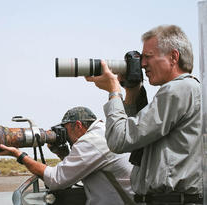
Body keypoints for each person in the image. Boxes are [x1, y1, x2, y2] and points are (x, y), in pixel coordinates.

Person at [86, 25, 203, 204]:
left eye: (148, 57)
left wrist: (113, 91)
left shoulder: (179, 89)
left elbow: (120, 139)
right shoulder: (188, 89)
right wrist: (132, 91)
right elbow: (139, 140)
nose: (142, 64)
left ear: (173, 57)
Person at [0, 106, 135, 205]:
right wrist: (62, 153)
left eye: (66, 130)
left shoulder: (91, 142)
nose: (65, 136)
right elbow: (77, 172)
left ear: (78, 125)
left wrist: (19, 155)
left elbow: (56, 179)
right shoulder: (102, 133)